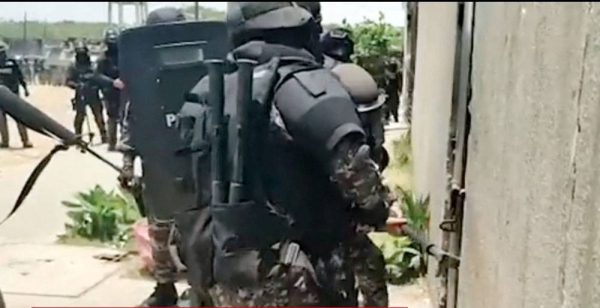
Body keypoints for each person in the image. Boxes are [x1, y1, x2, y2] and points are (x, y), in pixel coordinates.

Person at [186, 2, 392, 306]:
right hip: (297, 277)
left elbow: (181, 186)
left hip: (225, 272)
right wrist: (379, 209)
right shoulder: (305, 85)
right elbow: (357, 174)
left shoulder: (209, 90)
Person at [116, 7, 187, 307]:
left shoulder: (200, 75)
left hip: (195, 168)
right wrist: (127, 166)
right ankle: (165, 288)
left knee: (197, 235)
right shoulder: (145, 82)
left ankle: (199, 289)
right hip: (158, 172)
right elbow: (132, 127)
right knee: (160, 234)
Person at [65, 41, 107, 142]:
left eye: (83, 53)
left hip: (94, 94)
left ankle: (104, 135)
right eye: (80, 54)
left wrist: (98, 87)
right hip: (81, 95)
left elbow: (99, 78)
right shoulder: (74, 67)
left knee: (99, 116)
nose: (82, 56)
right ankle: (78, 136)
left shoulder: (93, 66)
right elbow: (68, 81)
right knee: (80, 117)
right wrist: (77, 86)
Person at [0, 41, 32, 148]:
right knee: (1, 121)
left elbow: (20, 77)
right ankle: (5, 141)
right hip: (1, 98)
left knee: (20, 119)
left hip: (13, 95)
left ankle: (25, 140)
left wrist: (25, 88)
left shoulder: (12, 63)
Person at [96, 28, 123, 151]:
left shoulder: (124, 55)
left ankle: (125, 142)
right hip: (110, 91)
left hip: (124, 90)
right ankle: (112, 142)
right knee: (112, 117)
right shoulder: (103, 59)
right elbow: (97, 75)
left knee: (125, 117)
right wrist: (112, 82)